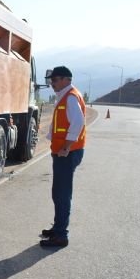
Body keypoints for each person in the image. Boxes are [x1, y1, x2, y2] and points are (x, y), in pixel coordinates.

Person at [41, 66, 86, 248]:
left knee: (62, 194)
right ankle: (58, 228)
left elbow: (78, 122)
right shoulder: (65, 96)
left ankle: (61, 235)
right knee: (58, 192)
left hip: (67, 153)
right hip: (63, 152)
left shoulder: (71, 97)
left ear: (66, 79)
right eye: (51, 80)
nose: (52, 83)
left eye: (55, 80)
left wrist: (66, 146)